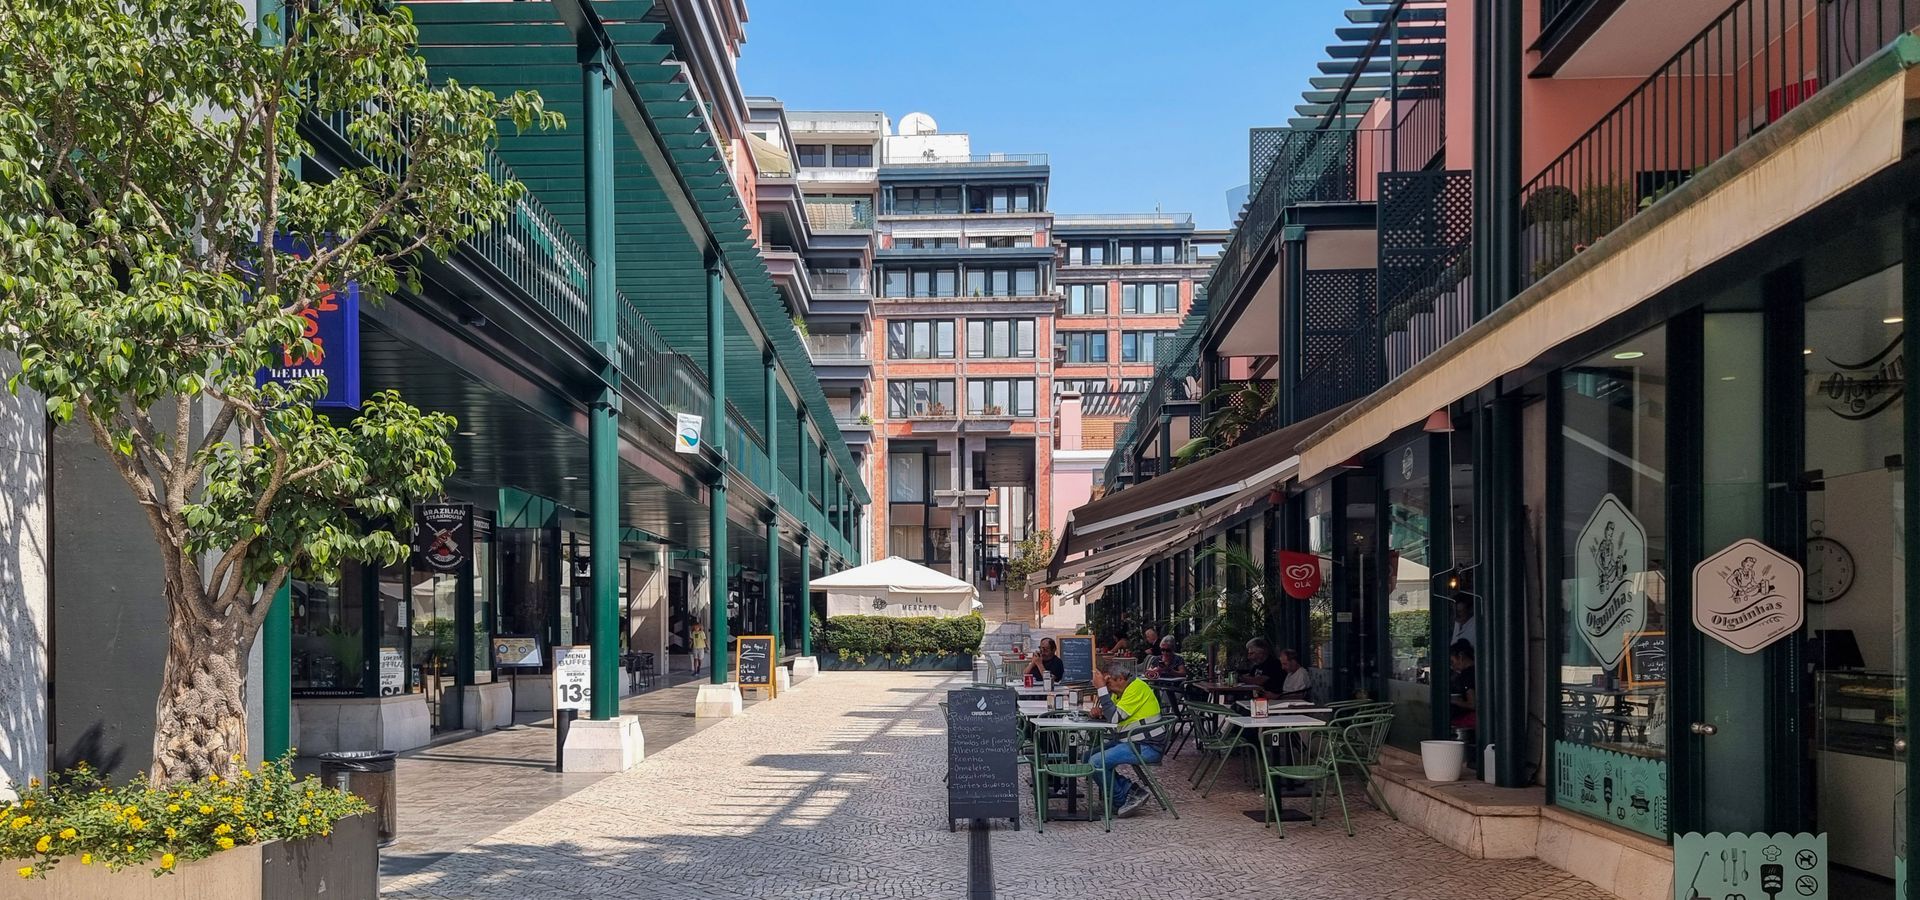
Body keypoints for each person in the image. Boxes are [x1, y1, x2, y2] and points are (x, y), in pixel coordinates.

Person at [1085, 662, 1168, 818]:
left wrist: (1101, 689)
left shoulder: (1136, 688)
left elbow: (1115, 717)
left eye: (1109, 683)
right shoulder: (1120, 692)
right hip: (1131, 741)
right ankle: (1131, 790)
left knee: (1095, 762)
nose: (1108, 688)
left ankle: (1121, 799)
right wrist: (1101, 712)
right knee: (1086, 757)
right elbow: (1116, 715)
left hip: (1147, 746)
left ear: (1121, 678)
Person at [1448, 639, 1477, 742]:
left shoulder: (1467, 675)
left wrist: (1454, 701)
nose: (1452, 666)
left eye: (1452, 662)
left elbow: (1472, 704)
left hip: (1471, 720)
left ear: (1460, 657)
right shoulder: (1478, 669)